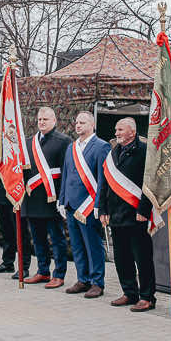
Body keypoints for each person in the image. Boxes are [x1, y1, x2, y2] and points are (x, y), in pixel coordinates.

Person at [97, 117, 156, 312]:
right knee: (122, 258)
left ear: (132, 131)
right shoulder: (113, 152)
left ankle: (147, 296)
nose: (117, 133)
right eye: (116, 130)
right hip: (116, 214)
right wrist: (103, 209)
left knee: (143, 258)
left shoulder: (145, 152)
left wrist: (144, 209)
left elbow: (150, 183)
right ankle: (129, 292)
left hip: (136, 215)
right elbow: (104, 183)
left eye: (120, 130)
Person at [58, 111, 111, 299]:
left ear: (92, 125)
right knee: (78, 245)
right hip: (72, 204)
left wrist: (99, 204)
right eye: (77, 122)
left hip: (89, 206)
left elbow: (103, 179)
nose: (78, 125)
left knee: (93, 245)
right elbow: (66, 175)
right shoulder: (71, 147)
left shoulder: (101, 146)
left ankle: (97, 282)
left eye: (82, 122)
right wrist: (62, 199)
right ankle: (83, 279)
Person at [21, 107, 70, 288]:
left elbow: (66, 171)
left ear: (54, 121)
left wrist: (63, 198)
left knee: (56, 239)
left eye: (46, 119)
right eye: (40, 119)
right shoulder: (29, 142)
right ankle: (42, 271)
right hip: (33, 199)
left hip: (52, 198)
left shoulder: (63, 141)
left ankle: (59, 274)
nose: (42, 122)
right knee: (38, 238)